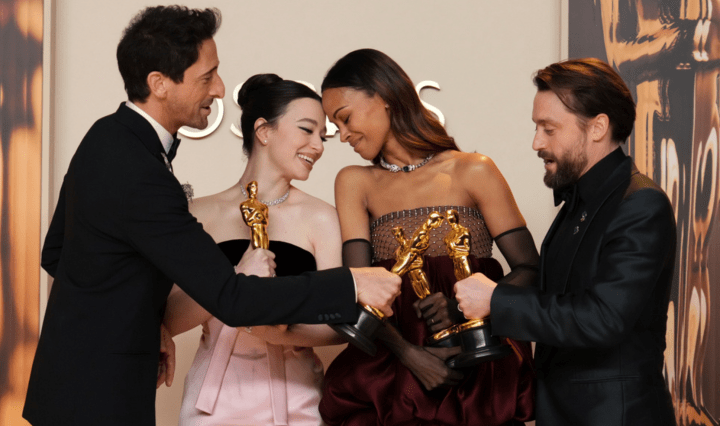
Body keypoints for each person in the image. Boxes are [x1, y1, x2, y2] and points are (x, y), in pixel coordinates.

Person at [22, 7, 400, 426]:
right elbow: (232, 298)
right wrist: (352, 283)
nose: (219, 89)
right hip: (99, 398)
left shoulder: (106, 137)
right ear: (159, 84)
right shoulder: (140, 170)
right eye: (207, 76)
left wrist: (148, 326)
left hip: (74, 391)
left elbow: (56, 254)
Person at [318, 48, 538, 426]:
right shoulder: (354, 182)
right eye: (336, 125)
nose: (343, 135)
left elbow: (530, 269)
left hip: (478, 362)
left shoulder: (474, 170)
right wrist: (409, 354)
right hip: (393, 370)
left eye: (345, 118)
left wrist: (466, 308)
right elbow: (359, 289)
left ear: (384, 97)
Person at [455, 58, 678, 426]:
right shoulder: (577, 205)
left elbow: (603, 318)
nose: (536, 142)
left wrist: (496, 300)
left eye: (549, 129)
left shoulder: (641, 204)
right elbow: (559, 302)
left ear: (598, 127)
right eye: (536, 128)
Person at [163, 74, 347, 425]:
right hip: (213, 399)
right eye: (307, 130)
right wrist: (234, 283)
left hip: (296, 396)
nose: (318, 146)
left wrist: (279, 332)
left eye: (322, 136)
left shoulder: (322, 217)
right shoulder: (198, 214)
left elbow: (339, 324)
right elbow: (168, 319)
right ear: (263, 131)